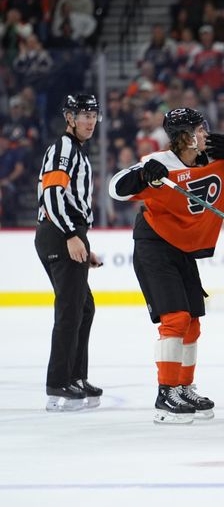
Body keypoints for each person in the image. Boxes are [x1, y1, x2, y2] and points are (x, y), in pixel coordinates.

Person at [109, 107, 224, 424]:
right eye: (200, 129)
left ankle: (184, 386)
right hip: (155, 246)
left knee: (193, 322)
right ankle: (166, 392)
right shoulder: (161, 165)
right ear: (183, 137)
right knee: (175, 318)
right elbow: (115, 188)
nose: (206, 133)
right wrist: (143, 175)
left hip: (182, 249)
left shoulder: (215, 154)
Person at [35, 94, 103, 412]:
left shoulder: (76, 151)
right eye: (84, 114)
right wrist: (73, 235)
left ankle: (75, 376)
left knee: (83, 308)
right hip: (59, 233)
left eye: (94, 115)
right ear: (69, 117)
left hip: (67, 233)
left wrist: (82, 241)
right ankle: (59, 381)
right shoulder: (63, 148)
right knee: (71, 310)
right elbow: (52, 194)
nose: (90, 120)